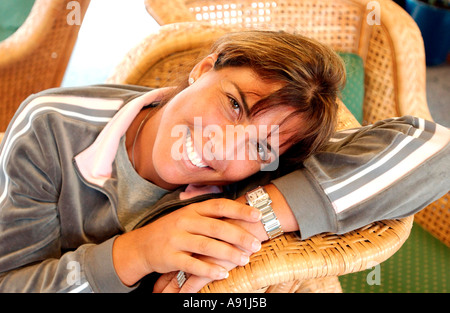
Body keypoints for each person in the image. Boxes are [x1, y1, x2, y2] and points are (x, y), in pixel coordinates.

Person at [0, 31, 448, 293]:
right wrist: (134, 253)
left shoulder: (246, 183)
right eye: (234, 104)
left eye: (259, 146)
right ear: (203, 67)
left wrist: (260, 213)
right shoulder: (50, 128)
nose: (221, 147)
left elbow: (435, 152)